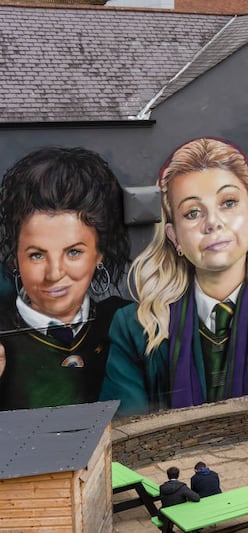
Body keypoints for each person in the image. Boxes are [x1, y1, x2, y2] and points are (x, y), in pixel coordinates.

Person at [100, 138, 248, 416]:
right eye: (192, 212)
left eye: (228, 203)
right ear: (174, 236)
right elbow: (127, 432)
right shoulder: (134, 328)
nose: (212, 222)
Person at [0, 146, 130, 410]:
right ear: (15, 256)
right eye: (37, 255)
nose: (54, 273)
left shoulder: (126, 322)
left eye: (73, 252)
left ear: (99, 253)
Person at [159, 466, 200, 532]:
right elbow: (196, 498)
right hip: (181, 514)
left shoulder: (162, 487)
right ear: (178, 475)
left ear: (168, 475)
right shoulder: (182, 487)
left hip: (165, 515)